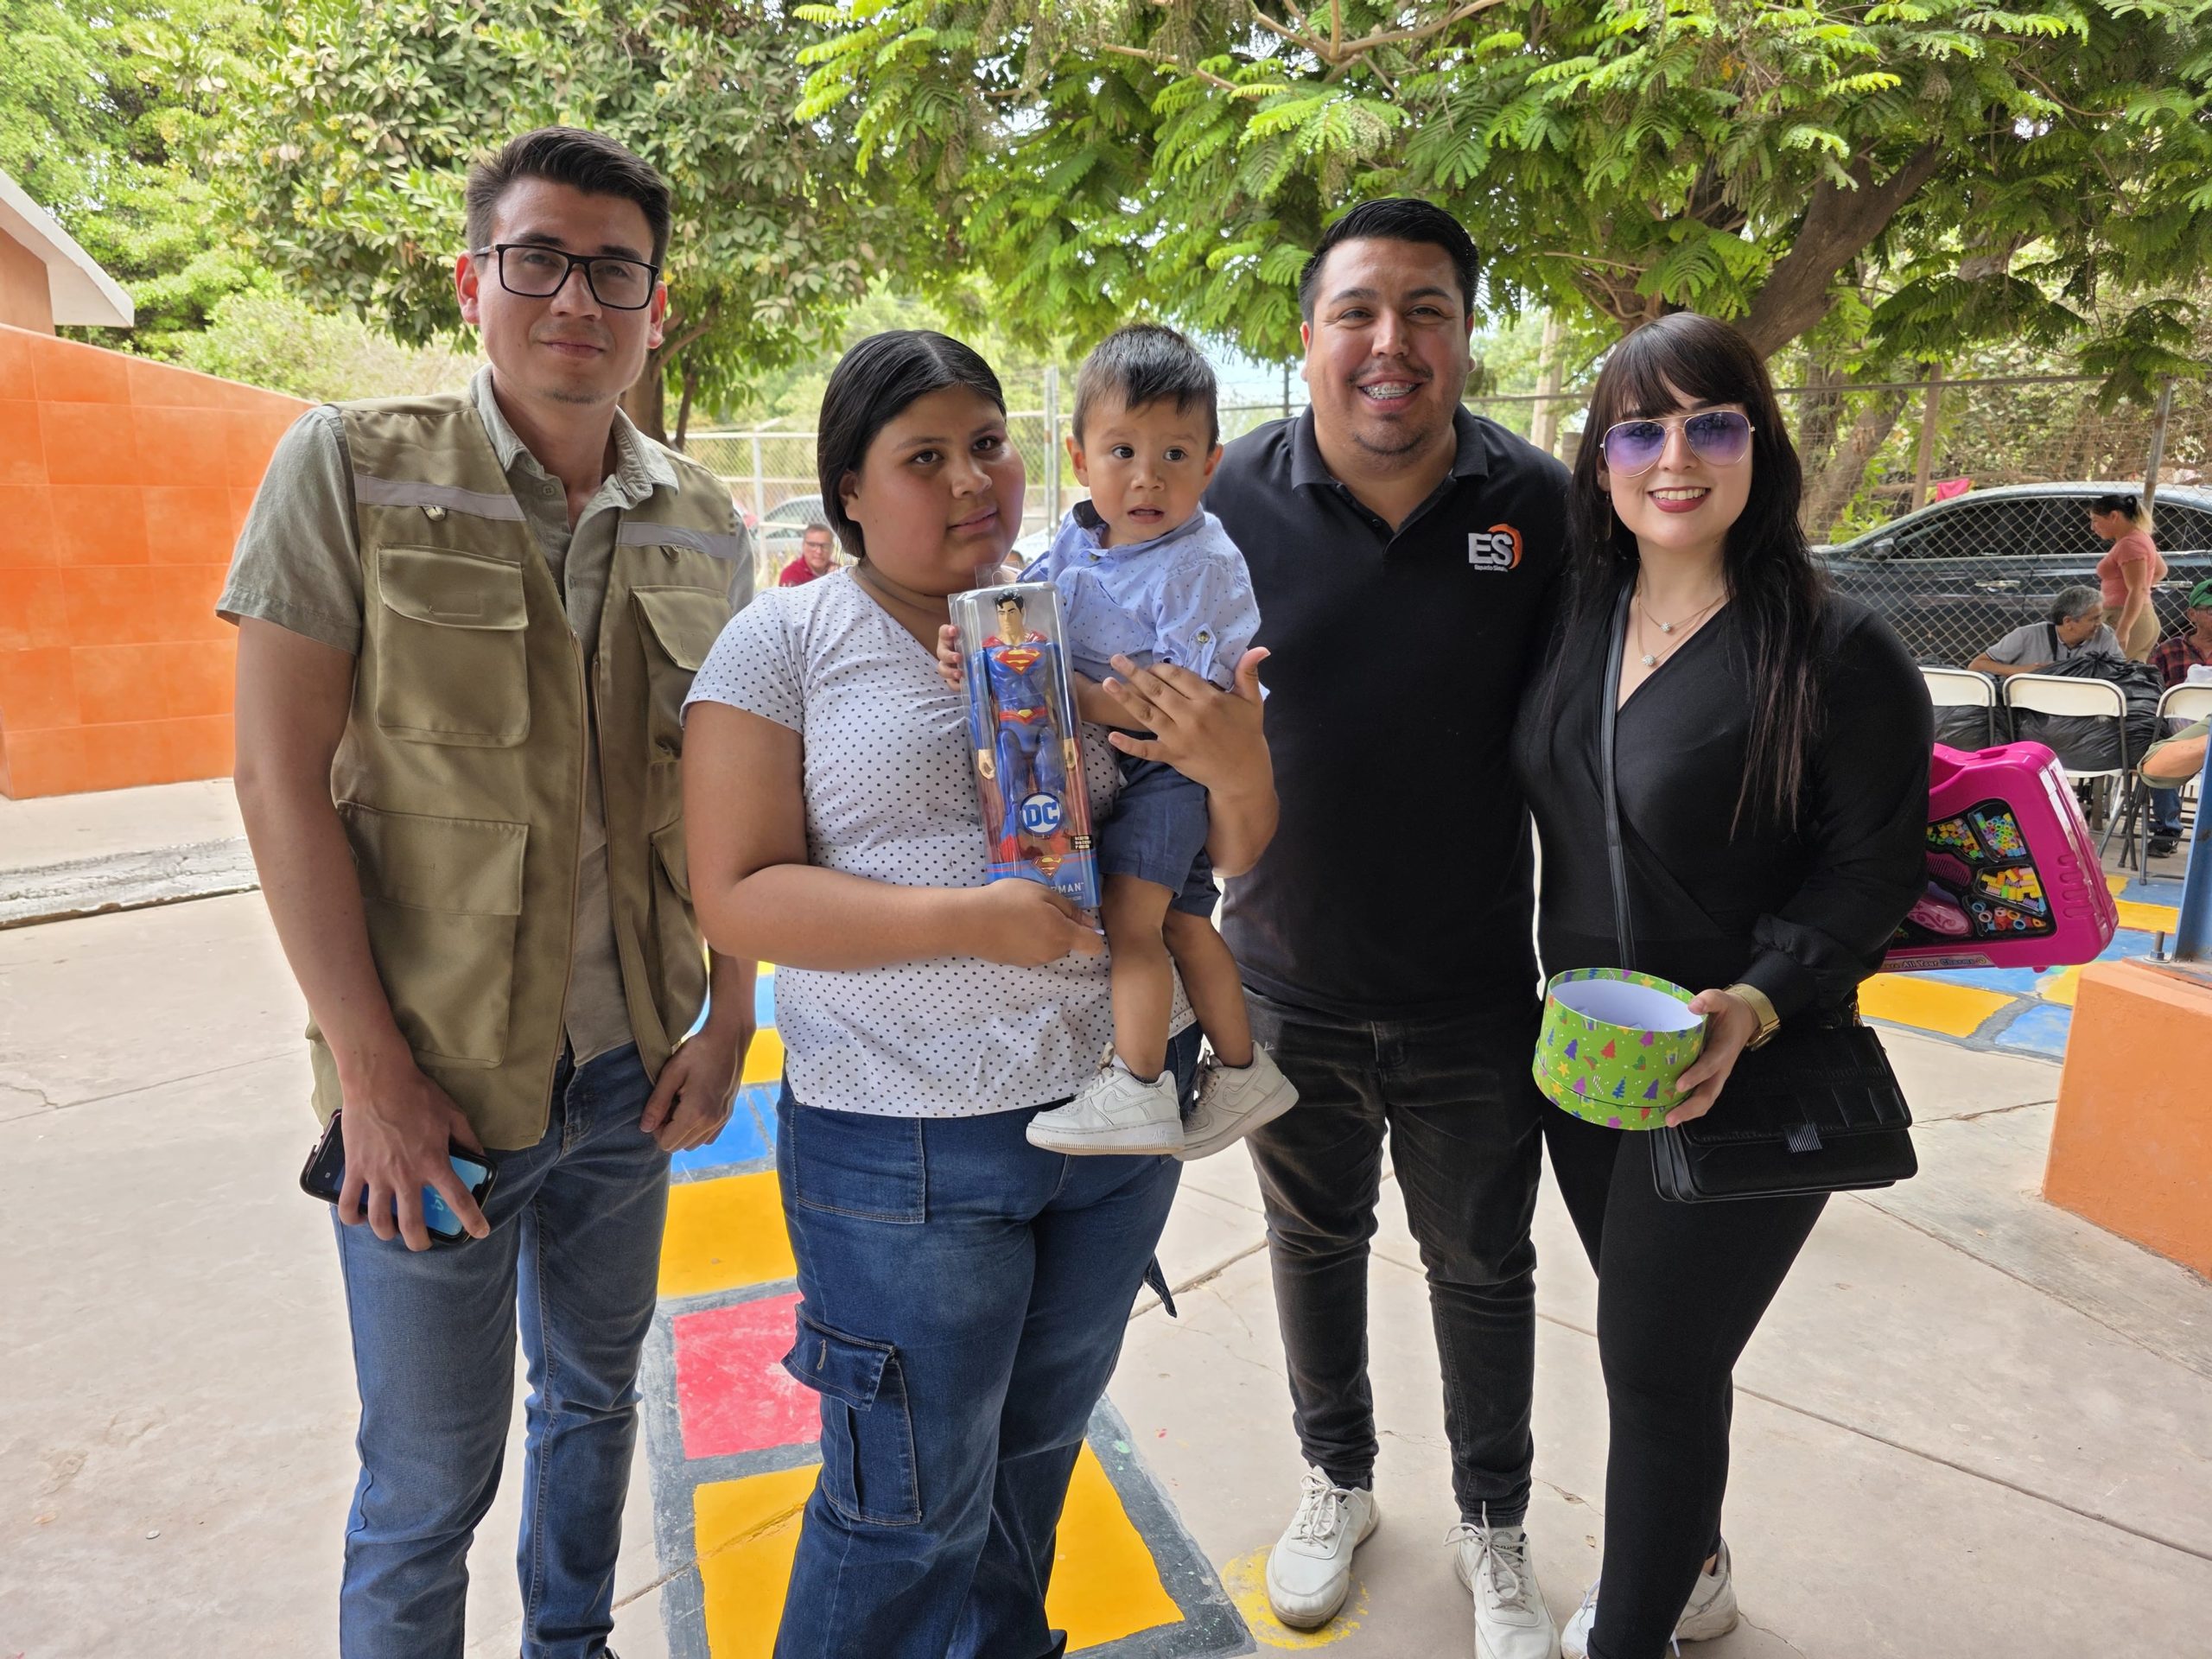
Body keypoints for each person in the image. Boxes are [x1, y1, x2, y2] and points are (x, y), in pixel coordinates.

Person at [220, 127, 755, 1659]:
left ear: (656, 307)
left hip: (630, 1076)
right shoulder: (351, 467)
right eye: (539, 259)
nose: (576, 297)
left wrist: (729, 1021)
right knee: (426, 1486)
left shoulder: (700, 519)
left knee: (594, 1404)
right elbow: (276, 783)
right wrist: (371, 1083)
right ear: (474, 282)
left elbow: (739, 801)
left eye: (615, 270)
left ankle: (571, 1644)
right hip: (433, 1089)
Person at [678, 329, 1278, 1658]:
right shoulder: (785, 642)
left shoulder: (1074, 612)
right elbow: (736, 895)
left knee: (1031, 1470)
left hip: (1114, 1130)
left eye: (988, 445)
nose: (970, 481)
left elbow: (1220, 849)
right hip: (906, 1152)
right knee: (904, 1512)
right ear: (847, 488)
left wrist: (1240, 765)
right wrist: (968, 922)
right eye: (925, 457)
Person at [1512, 312, 1929, 1659]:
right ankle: (1693, 1569)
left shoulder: (1834, 647)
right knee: (1668, 1352)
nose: (1675, 458)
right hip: (1590, 1060)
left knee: (1654, 1368)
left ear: (1762, 444)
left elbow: (1873, 872)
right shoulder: (1577, 615)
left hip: (1744, 1067)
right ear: (1601, 460)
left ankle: (1632, 1633)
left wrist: (1753, 1001)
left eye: (1712, 424)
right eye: (1640, 430)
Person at [1202, 198, 1568, 1655]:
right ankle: (1337, 1482)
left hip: (1475, 990)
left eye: (1426, 310)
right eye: (1357, 310)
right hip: (1284, 979)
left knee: (1485, 1268)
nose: (1390, 342)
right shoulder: (1225, 497)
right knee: (1312, 1242)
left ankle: (1496, 1526)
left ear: (1466, 336)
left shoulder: (1540, 505)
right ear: (1308, 336)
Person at [937, 323, 1298, 1159]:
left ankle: (1137, 1086)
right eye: (1123, 451)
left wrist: (1071, 696)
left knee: (1133, 926)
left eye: (1175, 454)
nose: (1147, 477)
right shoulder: (1081, 540)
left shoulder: (1197, 565)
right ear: (1079, 458)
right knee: (1183, 923)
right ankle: (1244, 1071)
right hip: (1133, 774)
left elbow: (1181, 715)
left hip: (1168, 774)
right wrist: (978, 647)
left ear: (1211, 464)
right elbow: (1023, 615)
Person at [2144, 579, 2212, 855]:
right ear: (2192, 614)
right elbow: (2149, 693)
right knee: (2159, 746)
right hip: (2177, 736)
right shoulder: (2167, 650)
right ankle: (2166, 829)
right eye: (2211, 610)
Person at [1967, 586, 2121, 678]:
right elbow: (1977, 665)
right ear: (2068, 622)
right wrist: (2023, 671)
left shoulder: (2105, 636)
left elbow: (2120, 673)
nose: (2100, 624)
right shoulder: (2026, 636)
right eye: (2094, 619)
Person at [2091, 491, 2167, 661]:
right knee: (2129, 674)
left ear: (2114, 516)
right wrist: (2139, 592)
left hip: (2125, 618)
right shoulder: (2139, 537)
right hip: (2141, 617)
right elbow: (2160, 570)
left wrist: (2124, 628)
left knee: (2106, 672)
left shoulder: (2130, 544)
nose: (2092, 527)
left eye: (2095, 520)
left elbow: (2138, 588)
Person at [779, 520, 836, 585]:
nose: (819, 551)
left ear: (832, 548)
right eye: (812, 545)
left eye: (825, 546)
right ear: (803, 545)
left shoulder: (837, 572)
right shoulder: (791, 574)